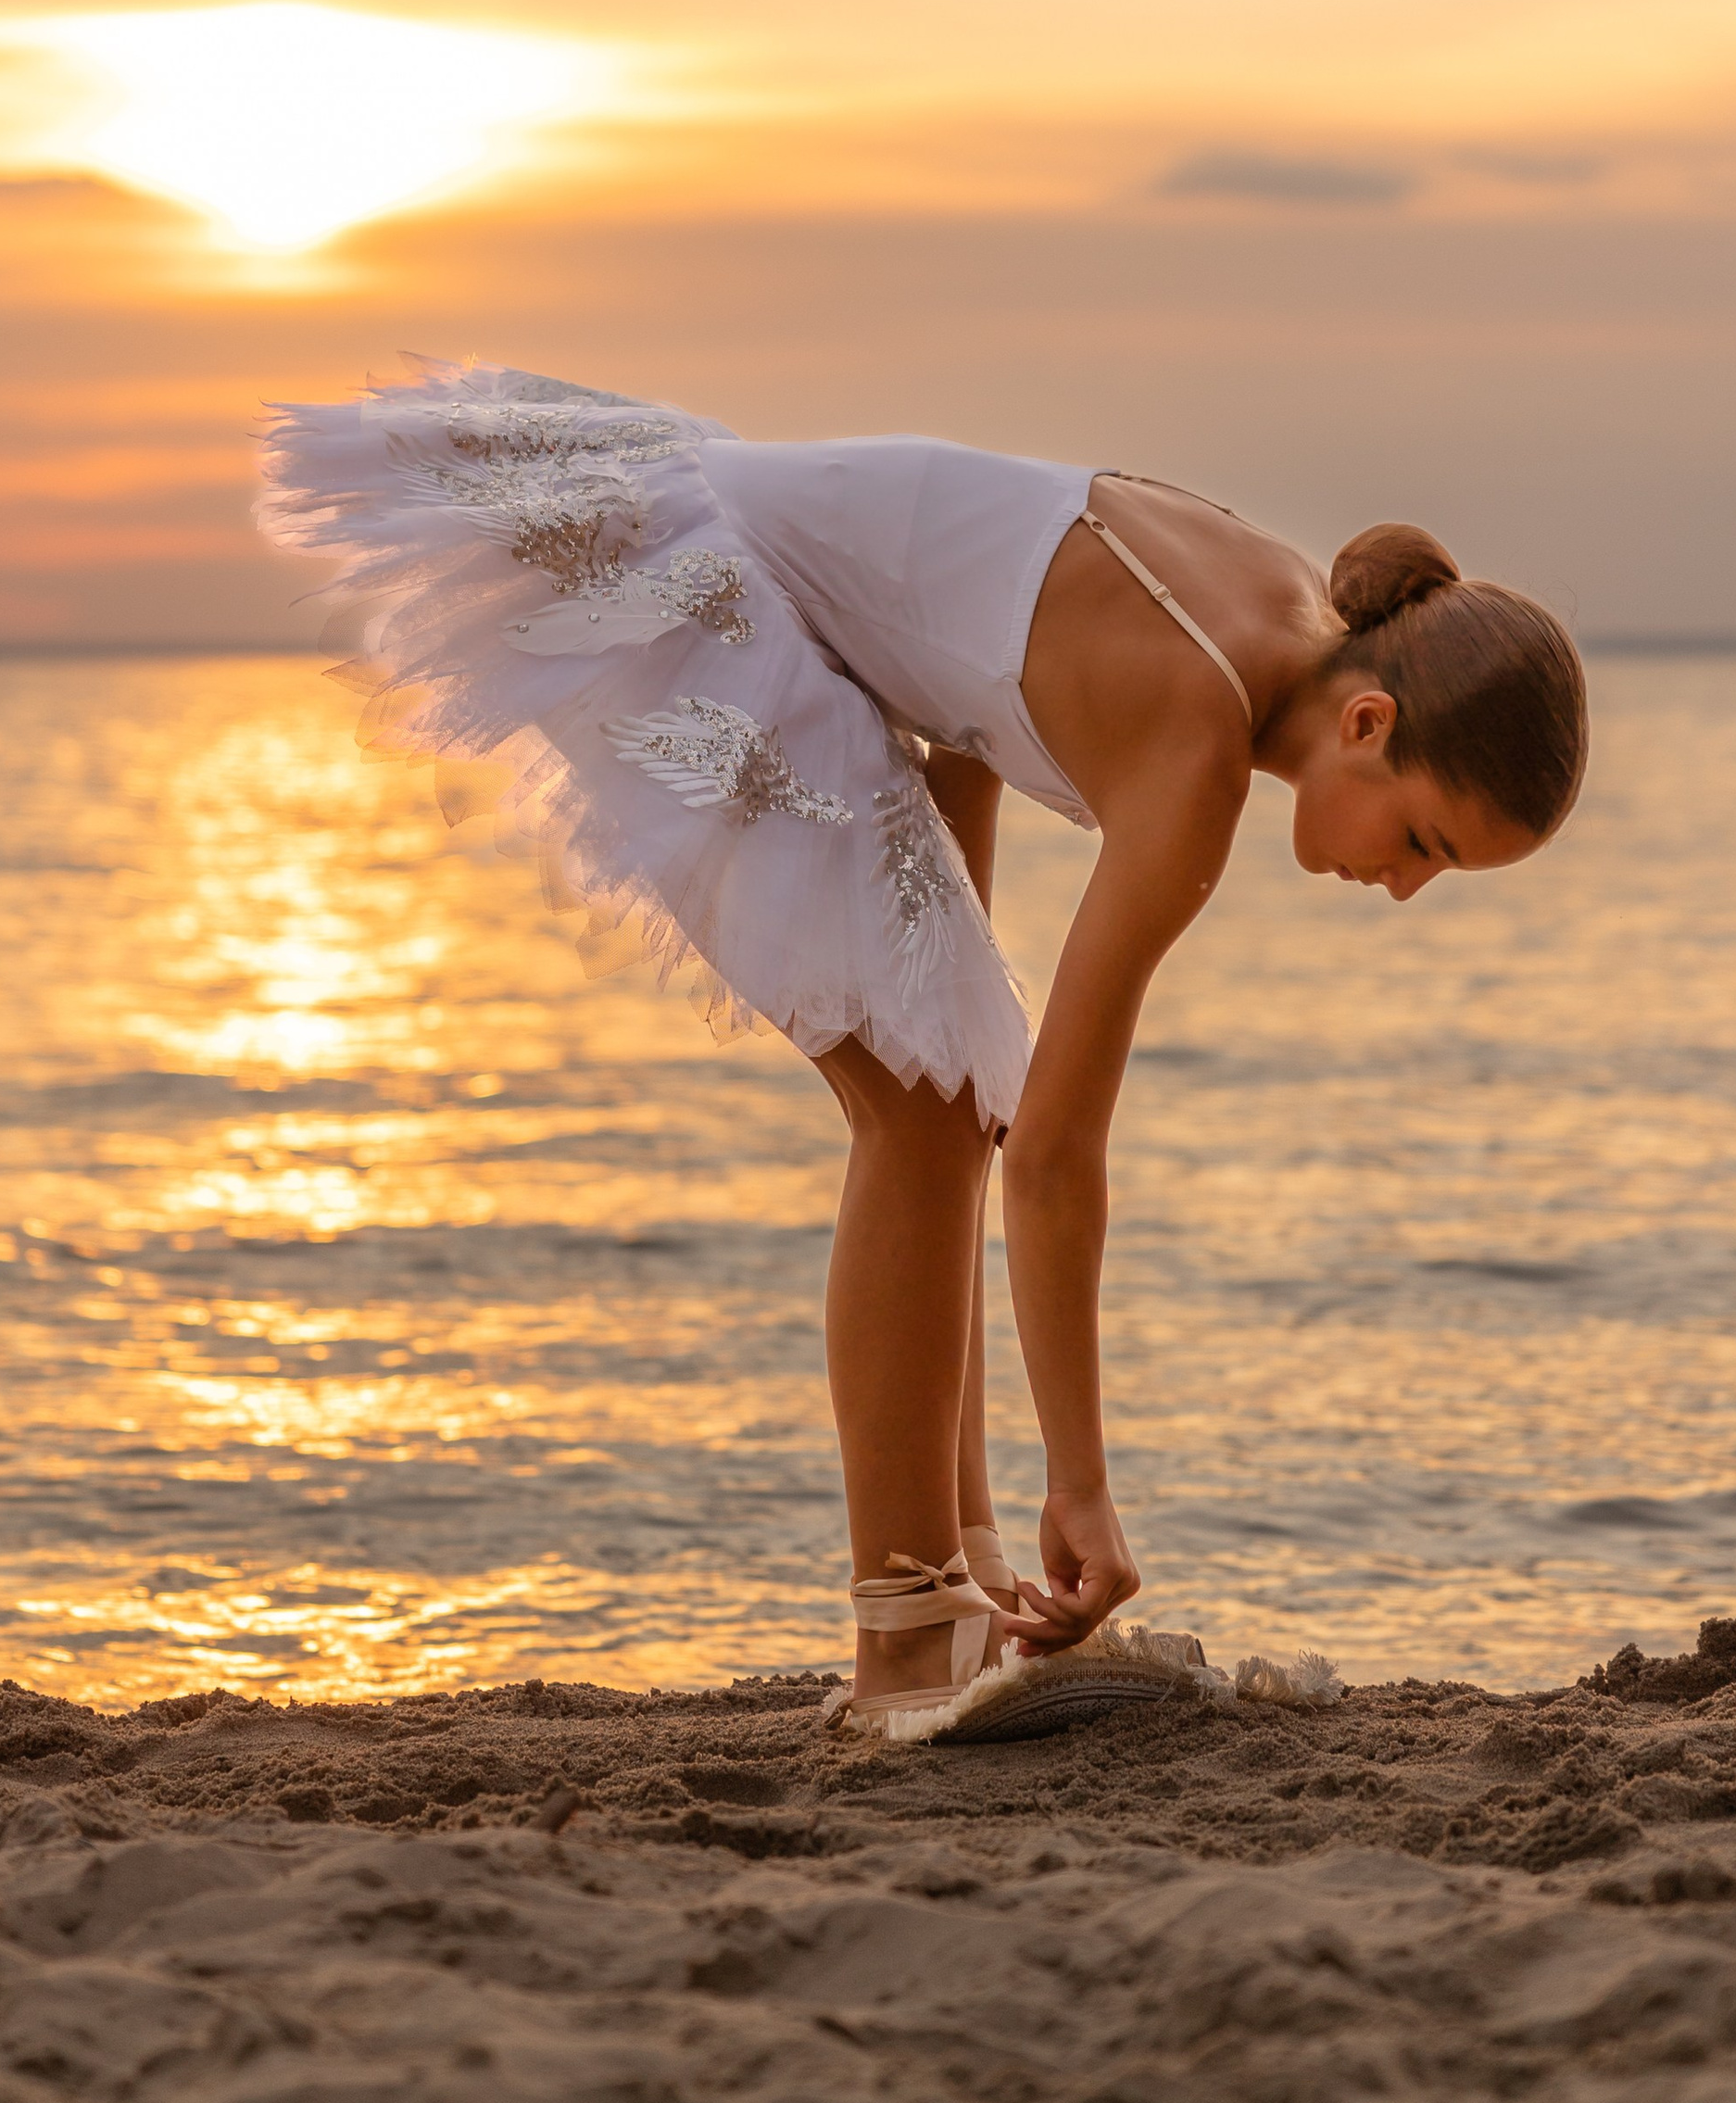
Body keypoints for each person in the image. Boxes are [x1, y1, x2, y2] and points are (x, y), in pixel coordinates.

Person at [258, 360, 1587, 1739]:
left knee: (949, 1094)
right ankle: (903, 1643)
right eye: (1424, 841)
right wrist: (1085, 1486)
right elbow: (1062, 1161)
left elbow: (979, 684)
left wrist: (954, 991)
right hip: (718, 603)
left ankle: (959, 1588)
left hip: (770, 589)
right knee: (926, 1121)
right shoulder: (1195, 749)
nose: (1410, 890)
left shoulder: (1271, 605)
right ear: (1370, 725)